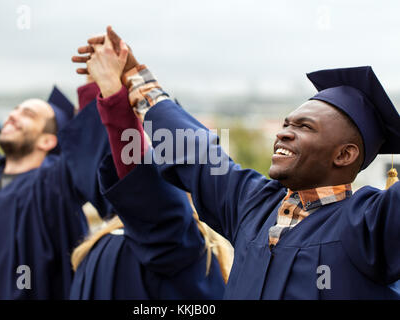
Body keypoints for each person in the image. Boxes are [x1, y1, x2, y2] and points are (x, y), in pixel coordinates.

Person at [74, 26, 400, 299]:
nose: (283, 134)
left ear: (344, 155)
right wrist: (133, 77)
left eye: (304, 127)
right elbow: (197, 151)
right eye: (286, 124)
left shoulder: (372, 223)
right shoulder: (253, 204)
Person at [69, 34, 230, 299]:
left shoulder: (179, 241)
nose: (157, 166)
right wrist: (96, 87)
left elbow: (145, 189)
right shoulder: (127, 221)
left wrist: (113, 94)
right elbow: (107, 166)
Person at [0, 80, 112, 299]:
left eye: (28, 114)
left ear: (48, 140)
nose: (13, 116)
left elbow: (86, 145)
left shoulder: (52, 185)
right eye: (15, 109)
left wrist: (98, 84)